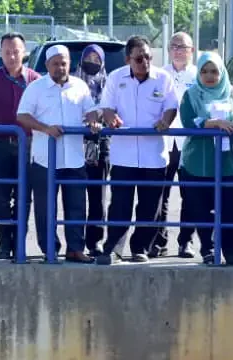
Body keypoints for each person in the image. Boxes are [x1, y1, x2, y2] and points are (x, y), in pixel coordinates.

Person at [97, 36, 178, 265]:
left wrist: (166, 119)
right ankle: (114, 248)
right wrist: (110, 116)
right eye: (139, 58)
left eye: (149, 57)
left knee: (150, 206)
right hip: (124, 155)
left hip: (154, 155)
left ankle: (140, 247)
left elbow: (171, 106)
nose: (145, 62)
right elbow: (106, 107)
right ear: (128, 59)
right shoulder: (116, 78)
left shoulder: (163, 78)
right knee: (120, 205)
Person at [17, 45, 99, 263]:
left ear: (69, 64)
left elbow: (90, 109)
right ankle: (49, 250)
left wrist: (93, 119)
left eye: (64, 63)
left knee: (77, 206)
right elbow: (22, 116)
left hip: (73, 158)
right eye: (55, 63)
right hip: (44, 158)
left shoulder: (80, 86)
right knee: (45, 208)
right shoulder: (36, 87)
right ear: (47, 65)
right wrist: (45, 128)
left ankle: (75, 248)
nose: (60, 67)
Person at [178, 51, 233, 266]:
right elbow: (188, 121)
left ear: (222, 72)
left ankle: (231, 250)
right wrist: (214, 123)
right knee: (200, 209)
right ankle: (207, 249)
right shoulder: (191, 95)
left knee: (228, 208)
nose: (209, 76)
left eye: (214, 71)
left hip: (227, 162)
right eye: (205, 71)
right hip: (197, 161)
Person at [0, 33, 40, 259]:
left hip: (28, 146)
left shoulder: (35, 80)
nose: (12, 56)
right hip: (1, 146)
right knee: (1, 197)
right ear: (0, 53)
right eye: (7, 51)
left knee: (24, 197)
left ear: (24, 52)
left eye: (16, 51)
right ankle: (4, 243)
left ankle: (19, 244)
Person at [150, 31, 197, 259]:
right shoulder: (158, 75)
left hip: (190, 144)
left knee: (190, 195)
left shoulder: (200, 75)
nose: (178, 50)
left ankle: (186, 241)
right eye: (174, 46)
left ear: (192, 50)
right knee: (161, 194)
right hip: (165, 142)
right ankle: (159, 242)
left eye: (183, 46)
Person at [76, 44, 110, 257]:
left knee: (98, 196)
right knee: (76, 196)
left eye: (96, 59)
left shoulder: (110, 85)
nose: (92, 62)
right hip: (76, 144)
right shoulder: (72, 84)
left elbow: (112, 110)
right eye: (88, 58)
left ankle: (95, 240)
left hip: (101, 144)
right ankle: (76, 241)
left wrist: (99, 118)